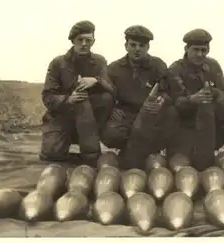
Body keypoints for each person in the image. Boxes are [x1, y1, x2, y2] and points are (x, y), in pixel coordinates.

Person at [101, 25, 179, 169]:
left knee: (171, 119)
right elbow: (106, 92)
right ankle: (131, 153)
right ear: (126, 46)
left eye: (142, 46)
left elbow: (170, 91)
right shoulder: (114, 68)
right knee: (111, 133)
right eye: (133, 45)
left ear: (148, 47)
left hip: (152, 115)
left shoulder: (158, 65)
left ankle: (144, 155)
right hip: (127, 115)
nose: (137, 49)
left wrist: (162, 101)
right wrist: (112, 108)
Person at [39, 20, 115, 166]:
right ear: (73, 40)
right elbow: (47, 96)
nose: (84, 44)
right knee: (52, 154)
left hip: (89, 118)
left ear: (93, 41)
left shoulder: (99, 62)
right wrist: (68, 99)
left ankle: (90, 150)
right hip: (62, 116)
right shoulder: (58, 63)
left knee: (105, 98)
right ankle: (70, 142)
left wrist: (96, 81)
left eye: (89, 40)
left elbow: (111, 88)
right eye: (80, 40)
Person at [168, 29, 224, 159]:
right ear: (186, 48)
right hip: (186, 123)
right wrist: (192, 100)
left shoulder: (213, 66)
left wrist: (216, 93)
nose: (200, 54)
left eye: (204, 50)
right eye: (196, 50)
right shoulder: (175, 69)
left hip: (211, 123)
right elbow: (175, 102)